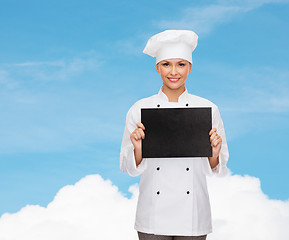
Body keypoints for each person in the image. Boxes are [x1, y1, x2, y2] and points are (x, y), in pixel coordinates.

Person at [120, 30, 229, 240]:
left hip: (193, 215)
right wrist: (138, 148)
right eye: (166, 64)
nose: (174, 71)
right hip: (152, 215)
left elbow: (218, 169)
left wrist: (214, 152)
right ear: (157, 68)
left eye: (181, 64)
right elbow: (128, 168)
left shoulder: (208, 108)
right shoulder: (140, 108)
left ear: (190, 68)